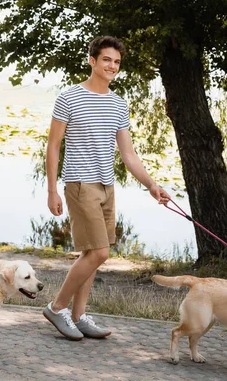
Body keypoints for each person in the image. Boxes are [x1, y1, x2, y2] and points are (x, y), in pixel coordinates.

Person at [43, 36, 172, 340]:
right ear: (92, 61)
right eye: (106, 60)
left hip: (106, 185)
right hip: (79, 182)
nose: (112, 66)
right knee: (99, 253)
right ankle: (57, 306)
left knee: (93, 252)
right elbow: (53, 146)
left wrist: (152, 184)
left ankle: (79, 315)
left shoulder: (118, 103)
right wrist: (52, 190)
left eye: (116, 62)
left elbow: (128, 154)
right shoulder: (69, 97)